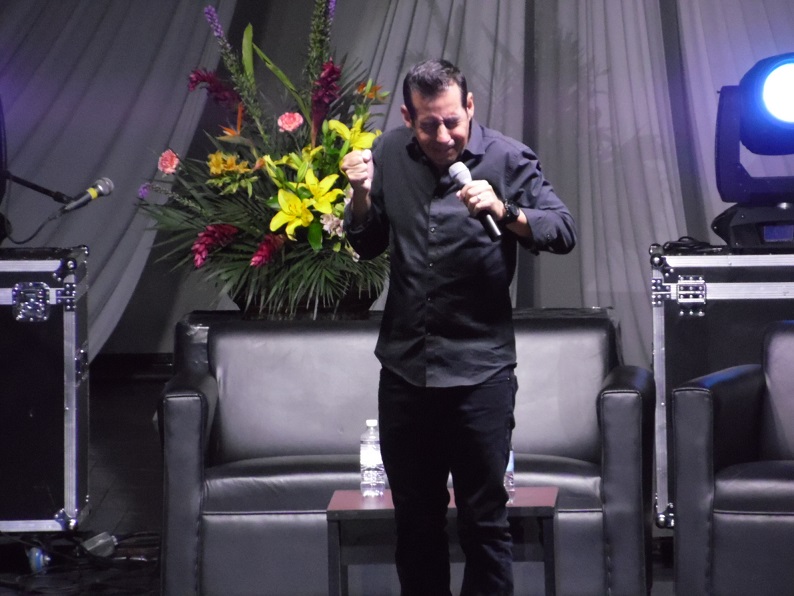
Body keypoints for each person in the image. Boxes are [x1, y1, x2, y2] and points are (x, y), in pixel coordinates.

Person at [341, 59, 576, 596]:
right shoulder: (387, 155)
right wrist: (360, 194)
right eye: (429, 125)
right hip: (406, 372)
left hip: (480, 373)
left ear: (470, 107)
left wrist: (505, 209)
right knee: (415, 525)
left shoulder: (508, 158)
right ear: (408, 118)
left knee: (484, 524)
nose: (444, 136)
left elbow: (562, 230)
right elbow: (368, 244)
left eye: (453, 121)